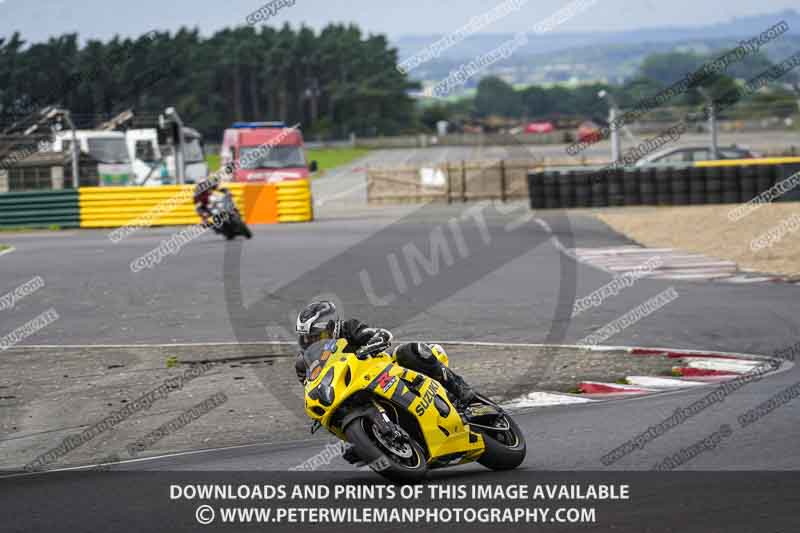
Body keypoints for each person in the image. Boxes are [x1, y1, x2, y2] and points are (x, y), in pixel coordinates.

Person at [294, 301, 475, 406]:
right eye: (307, 338)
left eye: (316, 336)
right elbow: (312, 389)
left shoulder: (349, 328)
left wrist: (372, 343)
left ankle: (458, 387)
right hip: (351, 390)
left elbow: (380, 334)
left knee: (410, 351)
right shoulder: (303, 364)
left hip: (383, 371)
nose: (312, 341)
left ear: (330, 328)